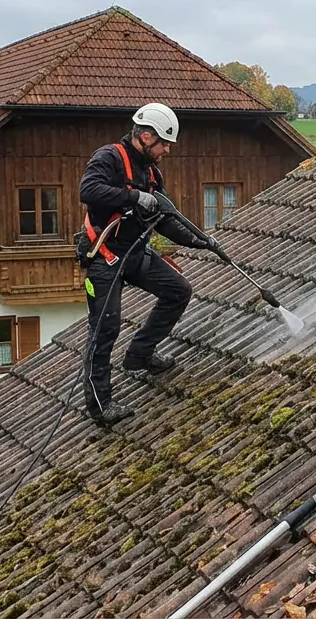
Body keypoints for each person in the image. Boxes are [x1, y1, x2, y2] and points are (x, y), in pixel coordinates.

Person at [77, 102, 218, 426]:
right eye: (164, 143)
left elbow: (164, 219)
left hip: (136, 253)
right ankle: (101, 406)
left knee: (178, 290)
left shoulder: (152, 172)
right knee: (105, 327)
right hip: (105, 256)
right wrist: (133, 197)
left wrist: (200, 240)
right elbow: (89, 190)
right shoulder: (110, 158)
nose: (167, 150)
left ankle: (139, 356)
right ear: (144, 136)